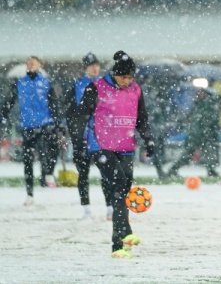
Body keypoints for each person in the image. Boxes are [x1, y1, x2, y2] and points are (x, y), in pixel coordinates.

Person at [71, 51, 156, 259]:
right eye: (123, 77)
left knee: (124, 189)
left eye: (130, 77)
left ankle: (125, 236)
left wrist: (149, 139)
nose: (127, 81)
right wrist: (78, 145)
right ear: (115, 73)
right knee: (118, 183)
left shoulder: (135, 89)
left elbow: (141, 118)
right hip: (100, 146)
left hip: (126, 146)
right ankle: (117, 243)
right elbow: (79, 116)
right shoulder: (97, 87)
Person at [1, 56, 62, 206]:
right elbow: (9, 101)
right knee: (27, 160)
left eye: (33, 63)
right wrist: (3, 115)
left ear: (40, 65)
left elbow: (54, 103)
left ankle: (47, 174)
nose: (30, 65)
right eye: (28, 63)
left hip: (45, 123)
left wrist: (57, 122)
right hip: (28, 125)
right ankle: (30, 193)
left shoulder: (46, 82)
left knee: (48, 150)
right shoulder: (20, 82)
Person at [63, 52, 113, 219]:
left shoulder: (105, 85)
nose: (95, 68)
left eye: (97, 65)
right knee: (83, 173)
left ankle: (110, 208)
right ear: (86, 68)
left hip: (101, 137)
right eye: (92, 65)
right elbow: (70, 111)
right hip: (83, 136)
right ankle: (86, 209)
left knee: (106, 172)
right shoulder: (77, 86)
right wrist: (72, 131)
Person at [165, 81, 221, 178]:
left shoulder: (206, 105)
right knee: (194, 154)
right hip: (199, 134)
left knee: (207, 154)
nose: (197, 95)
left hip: (202, 133)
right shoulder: (203, 105)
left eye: (200, 93)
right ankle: (173, 169)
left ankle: (210, 170)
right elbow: (210, 120)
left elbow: (210, 119)